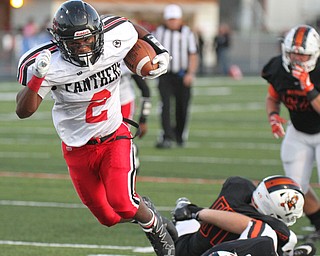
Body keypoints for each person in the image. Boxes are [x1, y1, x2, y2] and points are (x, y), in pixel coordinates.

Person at [15, 1, 174, 256]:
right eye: (74, 42)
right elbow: (23, 111)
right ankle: (148, 211)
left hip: (113, 136)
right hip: (77, 148)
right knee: (108, 218)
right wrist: (37, 76)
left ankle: (155, 229)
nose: (83, 47)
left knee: (123, 203)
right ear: (60, 42)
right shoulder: (50, 63)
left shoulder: (114, 37)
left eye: (88, 39)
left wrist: (159, 49)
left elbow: (130, 28)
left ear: (99, 33)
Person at [261, 24, 320, 242]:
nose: (296, 59)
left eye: (302, 55)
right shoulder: (277, 67)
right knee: (295, 189)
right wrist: (273, 116)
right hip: (298, 131)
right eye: (293, 53)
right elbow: (272, 97)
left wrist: (308, 86)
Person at [171, 175, 315, 256]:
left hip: (192, 239)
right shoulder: (270, 229)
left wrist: (195, 212)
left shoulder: (238, 186)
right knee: (266, 238)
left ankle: (185, 211)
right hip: (196, 252)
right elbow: (250, 223)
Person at [154, 4, 199, 148]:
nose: (172, 22)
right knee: (165, 106)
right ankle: (167, 136)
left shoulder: (188, 33)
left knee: (182, 106)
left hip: (182, 74)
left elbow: (193, 54)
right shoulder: (159, 32)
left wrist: (190, 73)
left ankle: (179, 135)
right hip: (165, 75)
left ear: (180, 19)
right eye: (170, 19)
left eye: (174, 19)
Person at [120, 61, 151, 170]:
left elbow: (145, 90)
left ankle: (131, 157)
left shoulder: (124, 56)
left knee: (121, 138)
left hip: (123, 101)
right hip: (101, 104)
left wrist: (143, 119)